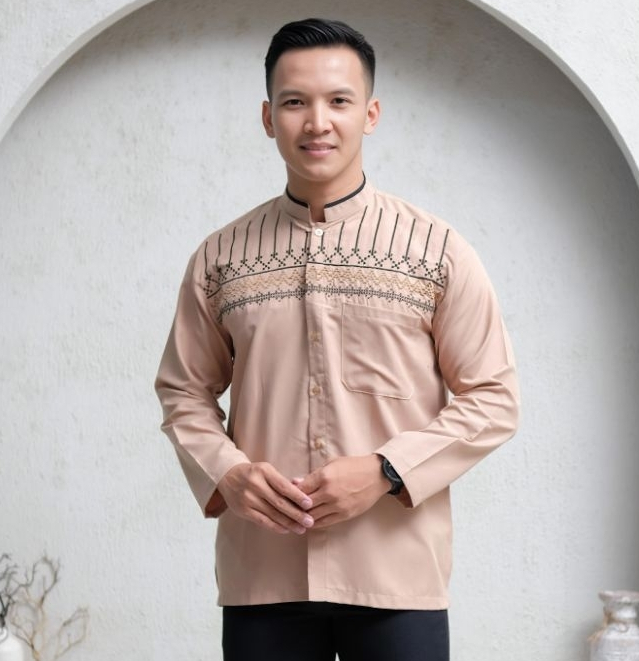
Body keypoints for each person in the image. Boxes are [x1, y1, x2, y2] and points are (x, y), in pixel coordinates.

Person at [155, 17, 520, 661]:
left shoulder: (437, 252)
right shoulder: (220, 259)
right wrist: (229, 474)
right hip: (263, 575)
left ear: (370, 114)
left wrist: (386, 471)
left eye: (339, 101)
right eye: (295, 102)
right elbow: (184, 392)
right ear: (268, 117)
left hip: (397, 574)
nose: (317, 122)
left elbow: (494, 397)